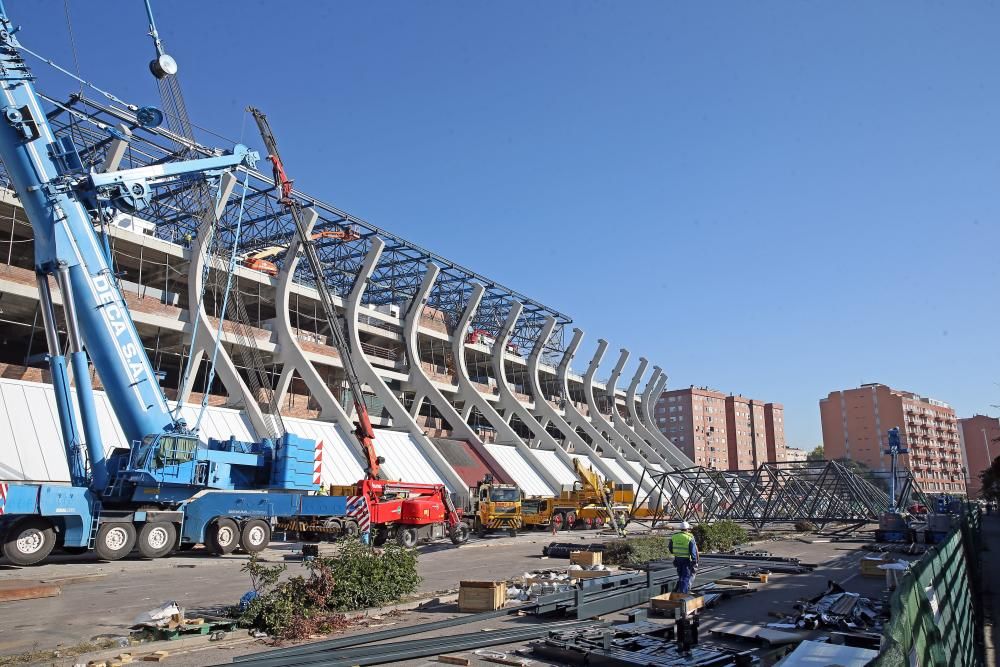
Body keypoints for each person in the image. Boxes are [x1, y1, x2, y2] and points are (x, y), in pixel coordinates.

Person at [668, 521, 699, 593]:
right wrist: (695, 561)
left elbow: (670, 547)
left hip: (677, 559)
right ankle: (683, 594)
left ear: (680, 528)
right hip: (686, 559)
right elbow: (693, 550)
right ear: (687, 529)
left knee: (680, 575)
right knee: (685, 577)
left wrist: (675, 553)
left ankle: (679, 591)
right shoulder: (689, 537)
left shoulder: (674, 536)